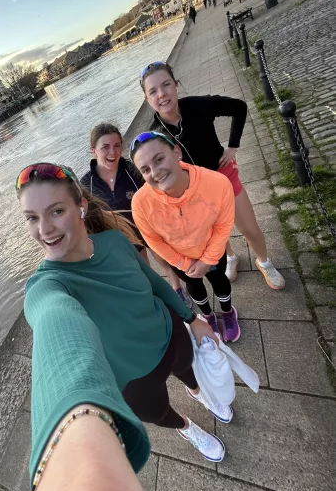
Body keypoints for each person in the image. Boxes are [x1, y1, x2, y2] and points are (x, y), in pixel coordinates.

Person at [18, 162, 232, 491]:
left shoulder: (115, 241)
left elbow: (154, 285)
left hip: (170, 336)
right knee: (161, 413)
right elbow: (52, 318)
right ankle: (187, 427)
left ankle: (197, 391)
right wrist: (69, 427)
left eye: (56, 211)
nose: (44, 229)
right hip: (132, 380)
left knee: (188, 372)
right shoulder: (49, 284)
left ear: (81, 207)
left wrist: (192, 319)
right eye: (31, 217)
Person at [139, 61, 285, 290]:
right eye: (153, 91)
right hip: (193, 189)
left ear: (176, 85)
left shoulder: (199, 105)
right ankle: (230, 257)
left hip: (223, 176)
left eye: (166, 85)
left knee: (249, 227)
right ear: (148, 99)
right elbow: (151, 170)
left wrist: (233, 146)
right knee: (213, 232)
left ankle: (264, 261)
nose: (162, 94)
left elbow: (239, 107)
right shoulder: (155, 135)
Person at [130, 131, 240, 342]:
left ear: (177, 152)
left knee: (220, 283)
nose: (155, 172)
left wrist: (208, 260)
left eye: (159, 159)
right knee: (195, 289)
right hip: (181, 261)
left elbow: (223, 226)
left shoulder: (217, 183)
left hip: (213, 251)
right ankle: (207, 317)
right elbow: (153, 240)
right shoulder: (140, 203)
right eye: (145, 169)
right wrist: (183, 262)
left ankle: (228, 312)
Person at [81, 122, 190, 303]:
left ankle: (177, 288)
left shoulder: (133, 168)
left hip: (148, 226)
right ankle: (152, 296)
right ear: (94, 150)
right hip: (119, 237)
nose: (113, 153)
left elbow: (158, 187)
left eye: (117, 146)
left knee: (164, 259)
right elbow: (86, 215)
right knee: (141, 270)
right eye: (105, 147)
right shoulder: (86, 183)